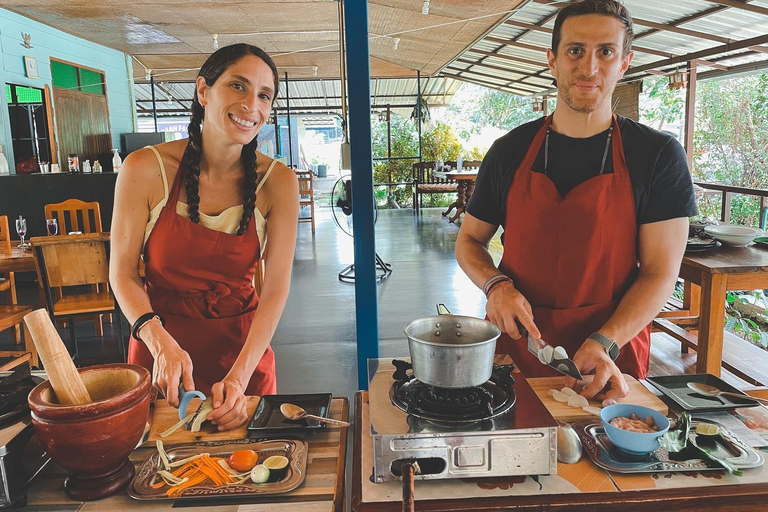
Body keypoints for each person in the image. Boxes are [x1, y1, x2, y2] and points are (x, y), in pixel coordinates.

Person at [455, 0, 697, 400]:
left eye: (606, 52)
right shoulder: (509, 151)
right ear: (552, 60)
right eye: (575, 51)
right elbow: (468, 241)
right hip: (517, 348)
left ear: (625, 62)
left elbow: (660, 272)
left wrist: (606, 341)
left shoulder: (656, 155)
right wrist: (495, 285)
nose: (589, 68)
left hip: (609, 355)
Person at [110, 44, 299, 431]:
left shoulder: (278, 182)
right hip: (160, 348)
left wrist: (241, 376)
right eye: (237, 86)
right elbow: (123, 273)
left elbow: (276, 287)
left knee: (246, 469)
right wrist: (158, 340)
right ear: (203, 91)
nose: (252, 105)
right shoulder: (146, 169)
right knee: (159, 465)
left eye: (264, 95)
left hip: (243, 354)